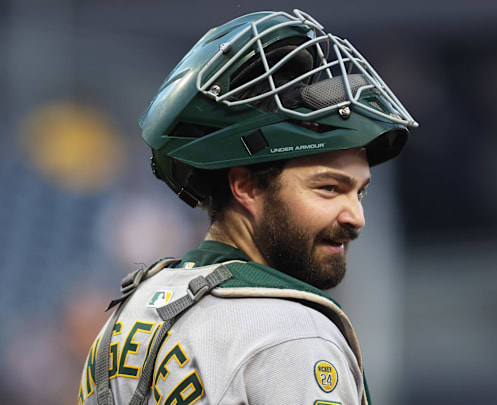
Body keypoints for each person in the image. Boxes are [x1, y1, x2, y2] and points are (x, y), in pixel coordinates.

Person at [76, 9, 417, 405]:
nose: (355, 218)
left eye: (359, 192)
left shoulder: (130, 311)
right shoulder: (291, 335)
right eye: (328, 188)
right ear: (247, 186)